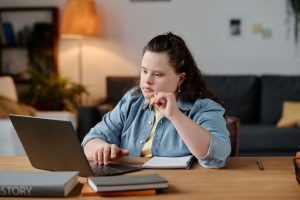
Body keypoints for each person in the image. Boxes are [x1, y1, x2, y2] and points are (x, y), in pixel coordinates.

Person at [82, 32, 231, 168]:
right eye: (144, 71)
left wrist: (175, 115)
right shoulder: (132, 100)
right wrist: (102, 149)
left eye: (158, 74)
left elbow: (218, 158)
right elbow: (90, 140)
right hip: (133, 187)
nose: (147, 80)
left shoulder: (204, 108)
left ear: (180, 79)